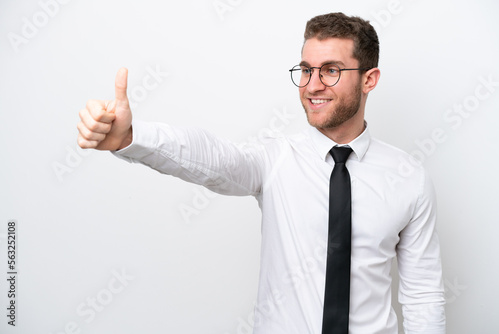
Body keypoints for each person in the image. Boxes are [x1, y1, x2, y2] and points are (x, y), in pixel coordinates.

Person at [77, 12, 446, 334]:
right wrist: (132, 136)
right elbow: (212, 159)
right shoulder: (275, 160)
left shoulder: (408, 179)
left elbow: (423, 296)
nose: (312, 85)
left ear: (369, 79)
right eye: (305, 70)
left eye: (330, 70)